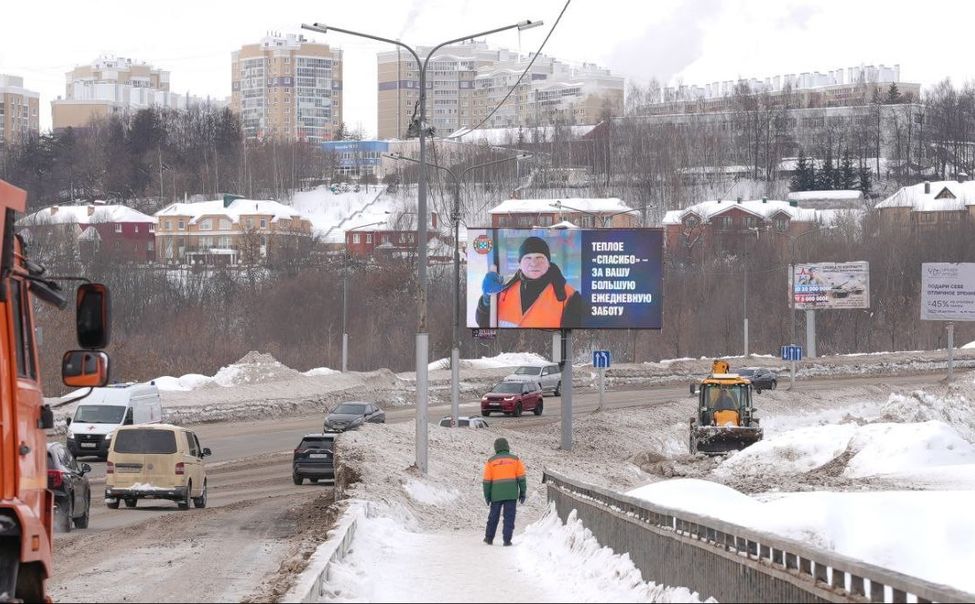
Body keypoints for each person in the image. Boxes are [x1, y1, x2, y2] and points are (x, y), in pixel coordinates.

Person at [475, 236, 584, 328]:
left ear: (549, 263)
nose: (533, 263)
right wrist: (486, 301)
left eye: (539, 257)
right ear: (520, 264)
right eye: (528, 258)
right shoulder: (503, 290)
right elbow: (483, 324)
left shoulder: (569, 297)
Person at [482, 437, 527, 546]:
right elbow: (522, 478)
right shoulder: (515, 460)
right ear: (507, 446)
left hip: (496, 495)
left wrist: (487, 496)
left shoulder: (491, 461)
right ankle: (507, 540)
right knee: (509, 517)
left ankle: (489, 538)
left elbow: (486, 481)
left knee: (493, 516)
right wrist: (522, 492)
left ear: (496, 448)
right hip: (511, 495)